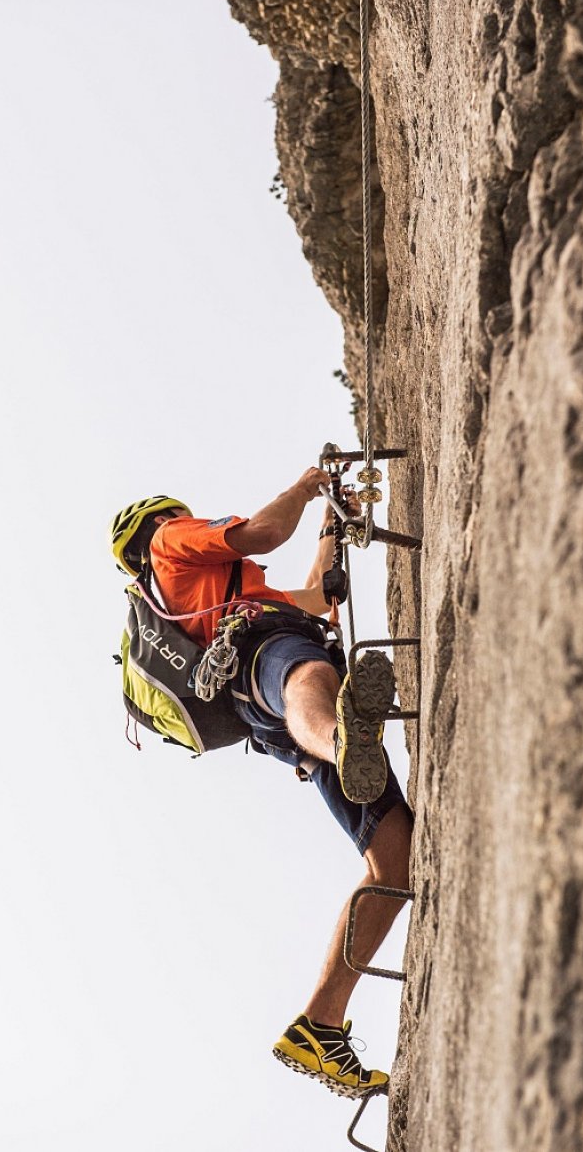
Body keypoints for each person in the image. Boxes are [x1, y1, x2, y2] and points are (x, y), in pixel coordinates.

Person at [109, 467, 413, 1099]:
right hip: (267, 661)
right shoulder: (170, 542)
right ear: (159, 524)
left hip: (277, 712)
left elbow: (317, 600)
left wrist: (331, 515)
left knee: (395, 861)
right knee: (304, 667)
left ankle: (319, 1025)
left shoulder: (224, 595)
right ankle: (342, 738)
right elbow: (263, 533)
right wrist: (305, 487)